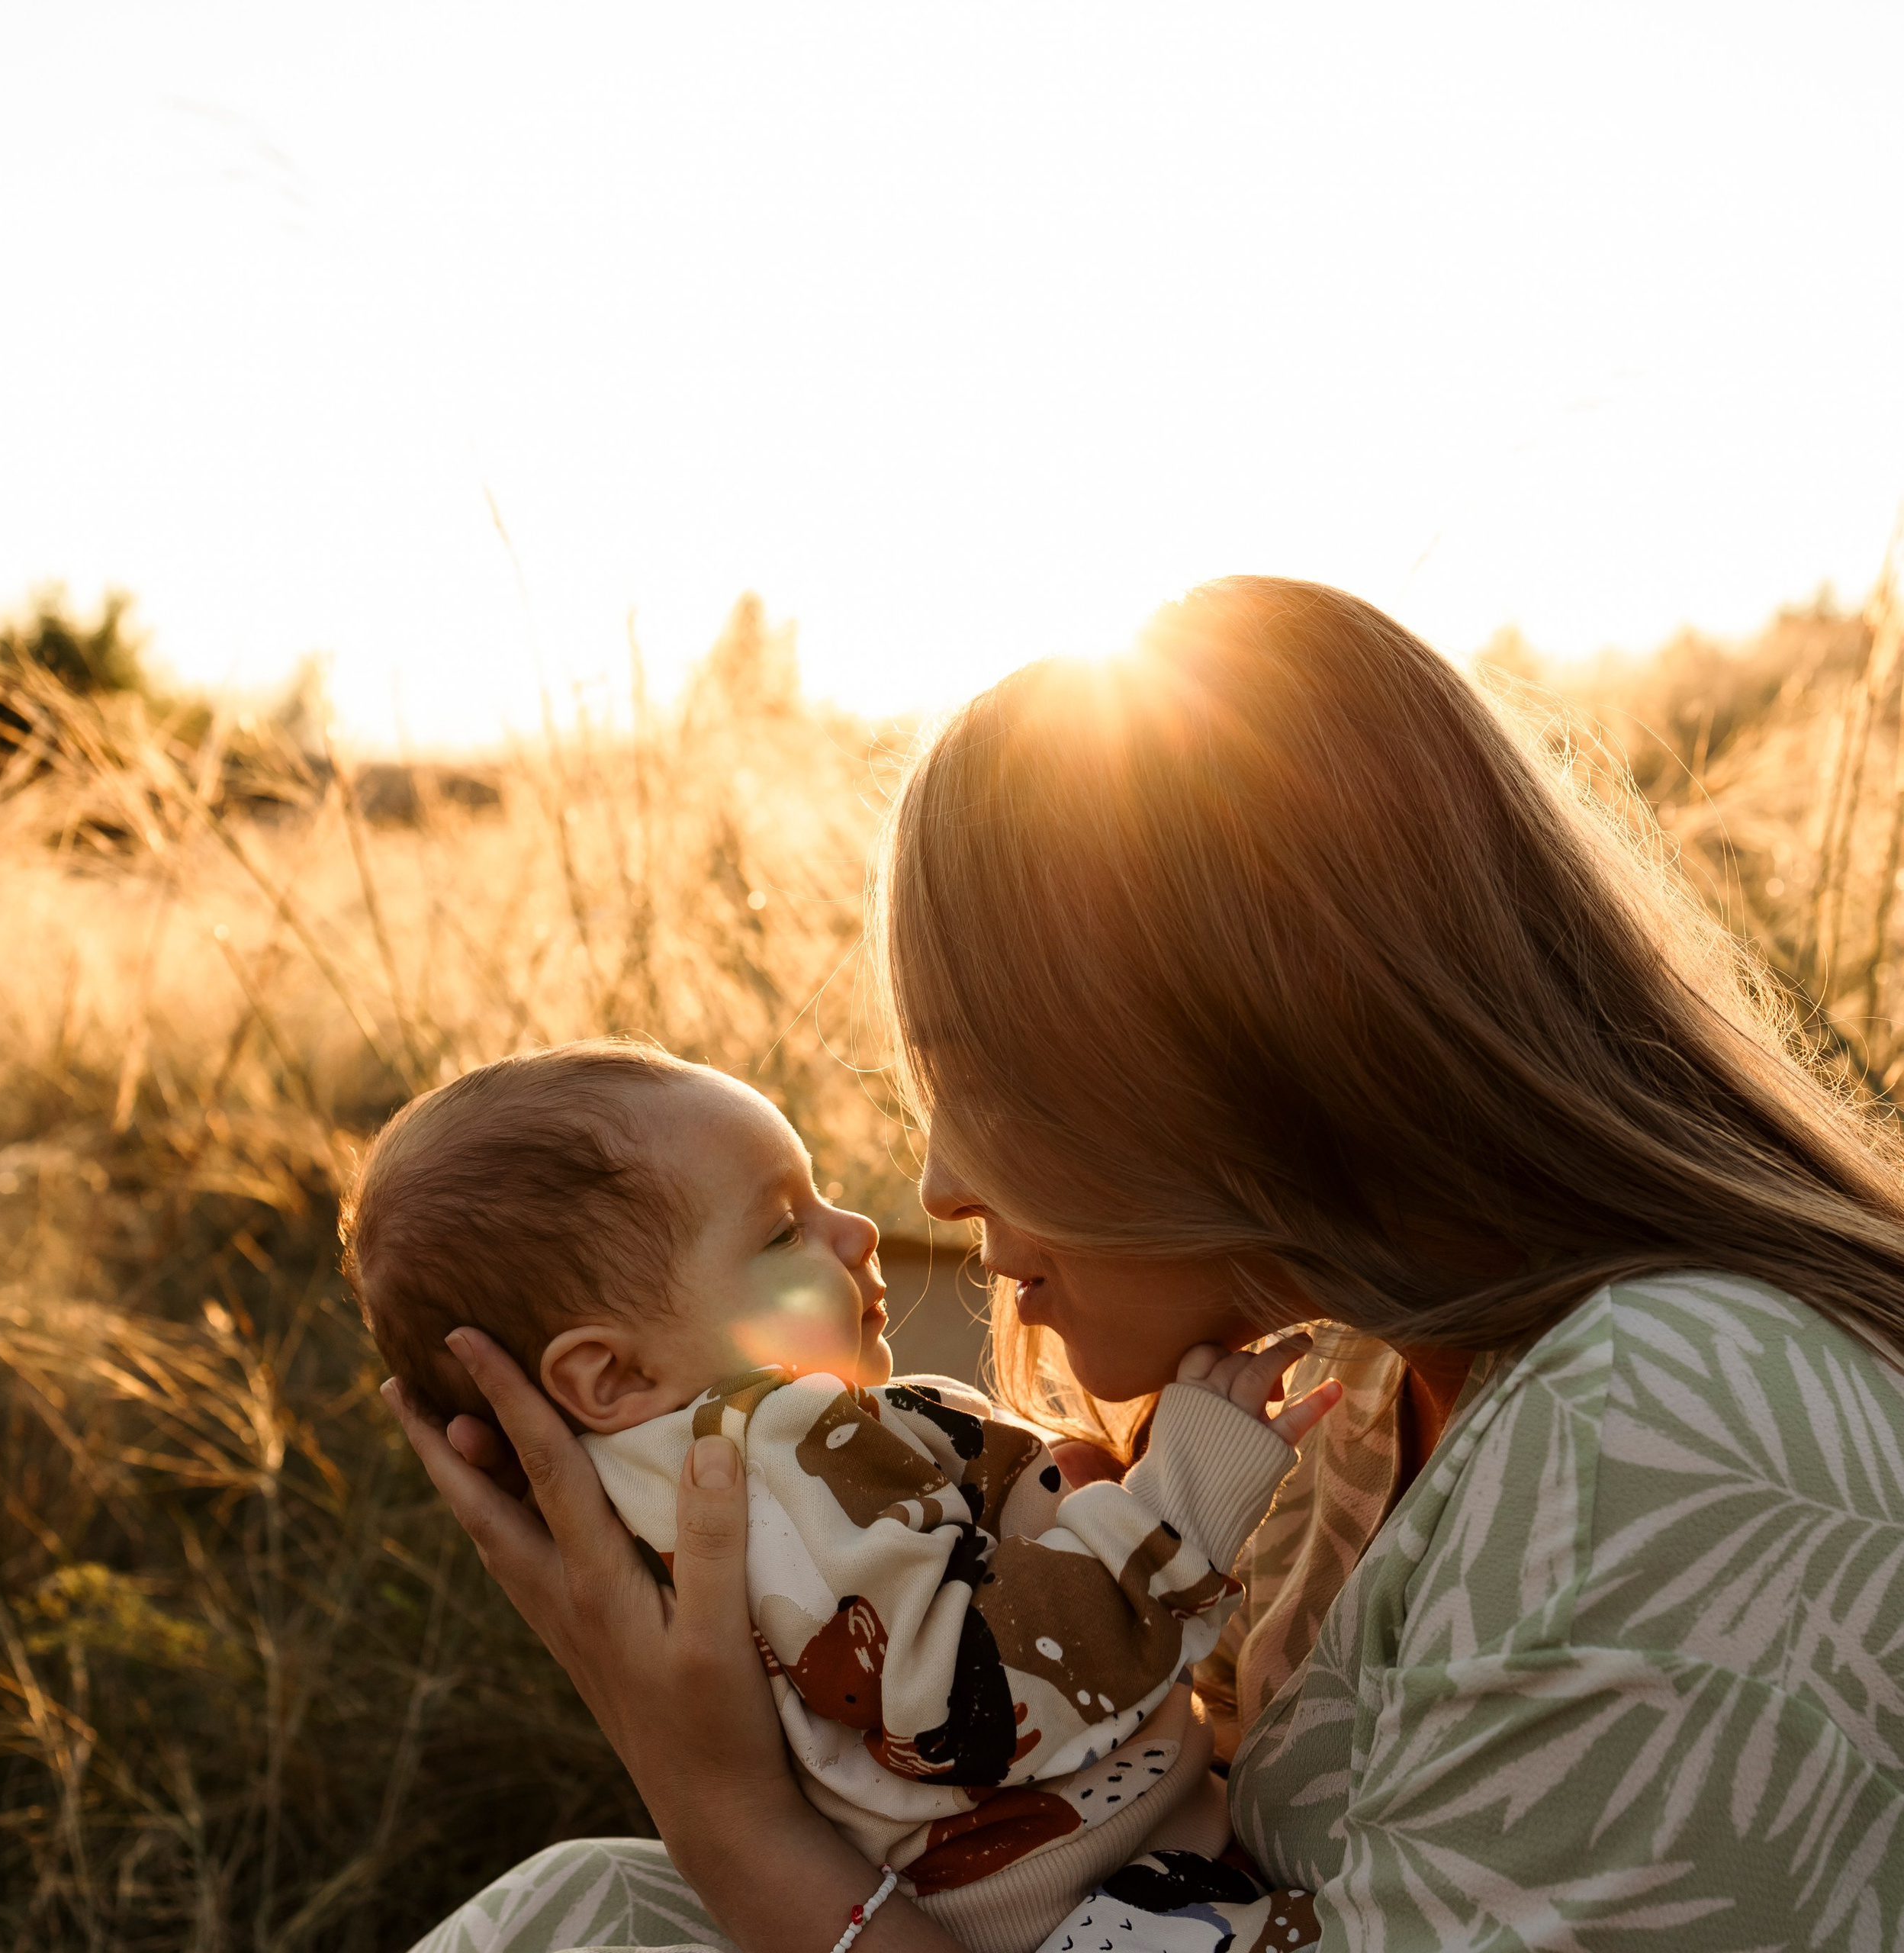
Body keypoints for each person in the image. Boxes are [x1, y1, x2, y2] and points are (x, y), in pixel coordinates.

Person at [387, 578, 1904, 1952]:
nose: (937, 1186)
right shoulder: (1375, 1394)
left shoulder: (1666, 1412)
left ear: (1237, 1040)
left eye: (976, 1074)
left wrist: (731, 1818)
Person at [343, 1044, 1335, 1951]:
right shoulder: (781, 1451)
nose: (858, 1229)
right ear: (609, 1377)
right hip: (1100, 1915)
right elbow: (983, 1688)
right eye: (783, 1232)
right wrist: (1180, 1495)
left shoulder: (685, 1499)